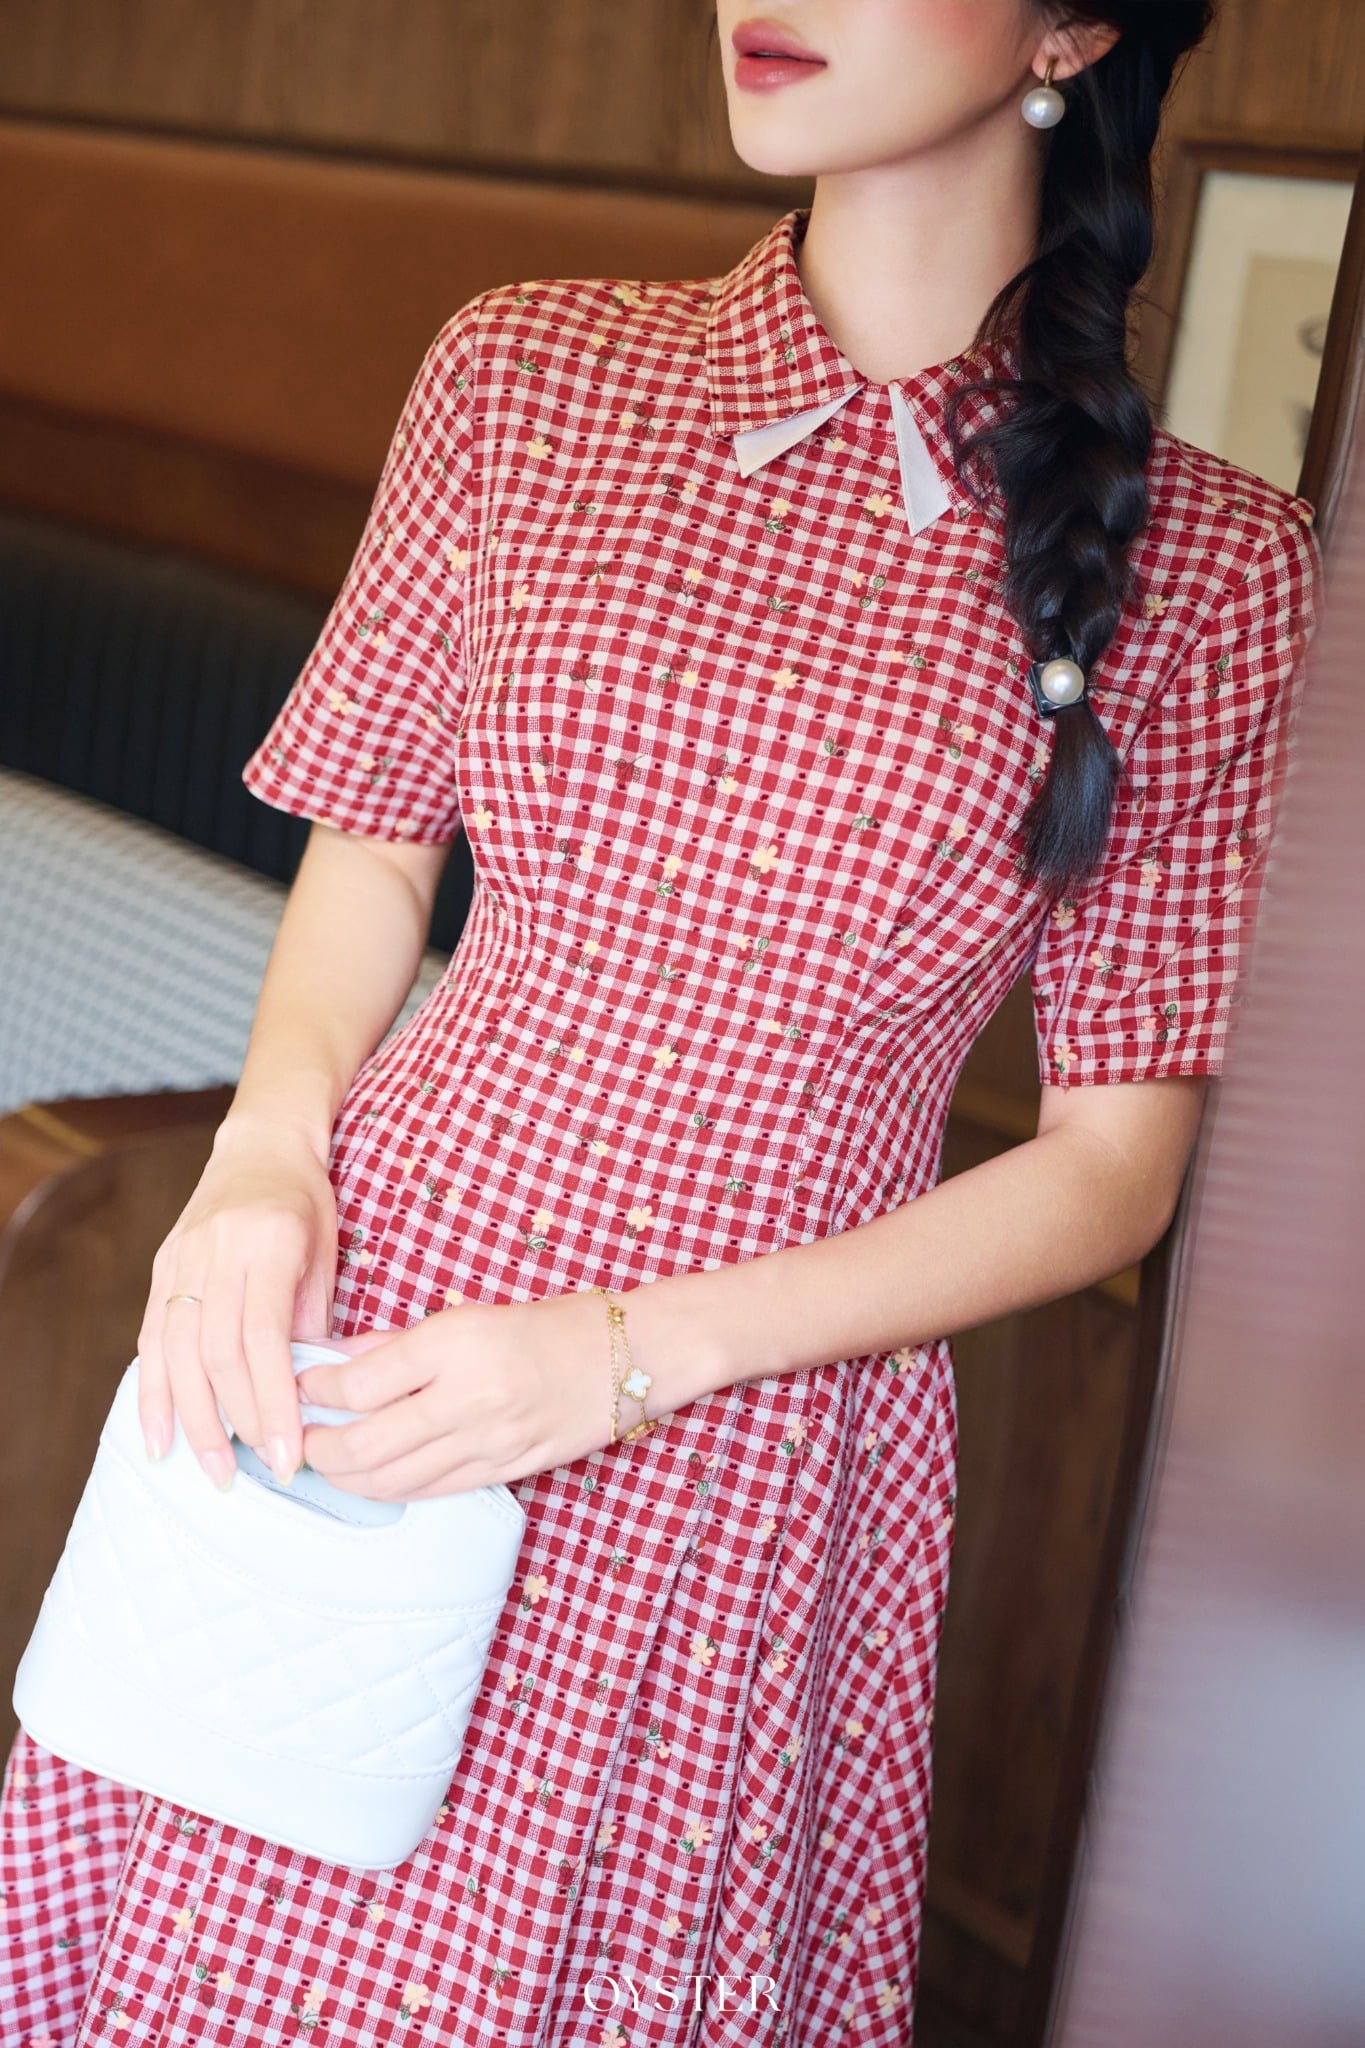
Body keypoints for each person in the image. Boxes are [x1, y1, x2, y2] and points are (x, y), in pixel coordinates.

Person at [0, 1, 1323, 2041]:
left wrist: (628, 1358)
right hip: (375, 1295)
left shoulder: (1216, 567)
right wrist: (260, 1166)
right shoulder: (525, 372)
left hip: (745, 1407)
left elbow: (1109, 1170)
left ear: (1070, 25)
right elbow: (374, 850)